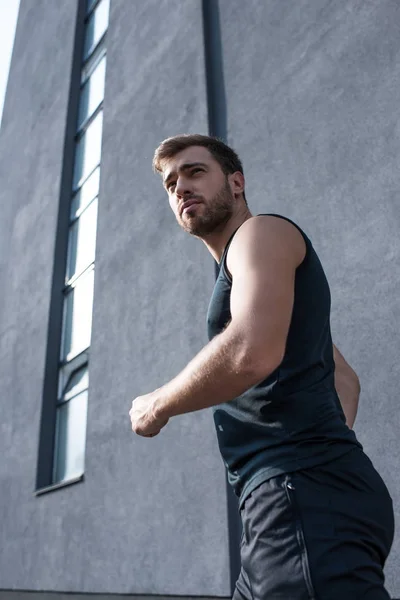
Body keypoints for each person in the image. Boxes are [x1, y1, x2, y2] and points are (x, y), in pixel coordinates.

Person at [129, 134, 394, 600]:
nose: (181, 188)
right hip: (296, 497)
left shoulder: (259, 233)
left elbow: (250, 351)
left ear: (236, 182)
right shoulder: (248, 274)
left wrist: (157, 405)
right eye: (171, 184)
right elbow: (344, 379)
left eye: (195, 172)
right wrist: (325, 451)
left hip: (300, 495)